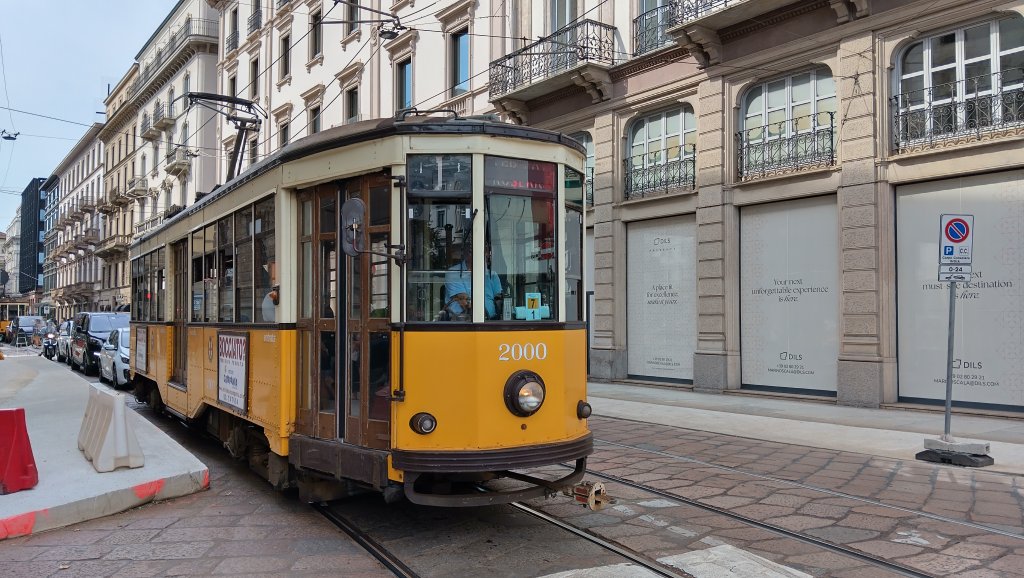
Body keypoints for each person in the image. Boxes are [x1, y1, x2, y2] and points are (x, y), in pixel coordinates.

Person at [444, 243, 502, 320]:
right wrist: (485, 314)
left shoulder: (493, 275)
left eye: (487, 253)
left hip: (491, 321)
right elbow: (464, 302)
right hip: (461, 322)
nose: (486, 256)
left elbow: (499, 299)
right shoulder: (454, 272)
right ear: (467, 254)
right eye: (483, 252)